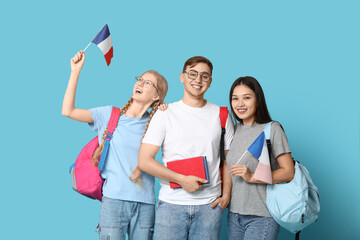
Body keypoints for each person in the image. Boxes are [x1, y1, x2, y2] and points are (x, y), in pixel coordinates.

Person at [62, 50, 168, 240]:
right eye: (140, 79)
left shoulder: (158, 122)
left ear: (156, 97)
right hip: (114, 201)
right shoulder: (109, 115)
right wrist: (75, 71)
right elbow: (68, 111)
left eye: (148, 83)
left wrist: (166, 111)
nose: (139, 83)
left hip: (145, 205)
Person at [138, 56, 234, 240]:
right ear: (182, 77)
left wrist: (226, 196)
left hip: (210, 207)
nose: (198, 80)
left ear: (210, 81)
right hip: (171, 205)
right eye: (193, 74)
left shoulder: (221, 114)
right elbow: (144, 161)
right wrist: (181, 179)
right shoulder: (164, 113)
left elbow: (228, 159)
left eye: (204, 76)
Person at [226, 76, 295, 240]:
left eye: (247, 98)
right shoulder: (232, 131)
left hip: (262, 216)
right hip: (234, 216)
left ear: (258, 100)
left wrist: (251, 176)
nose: (240, 104)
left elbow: (288, 172)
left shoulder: (272, 129)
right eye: (235, 99)